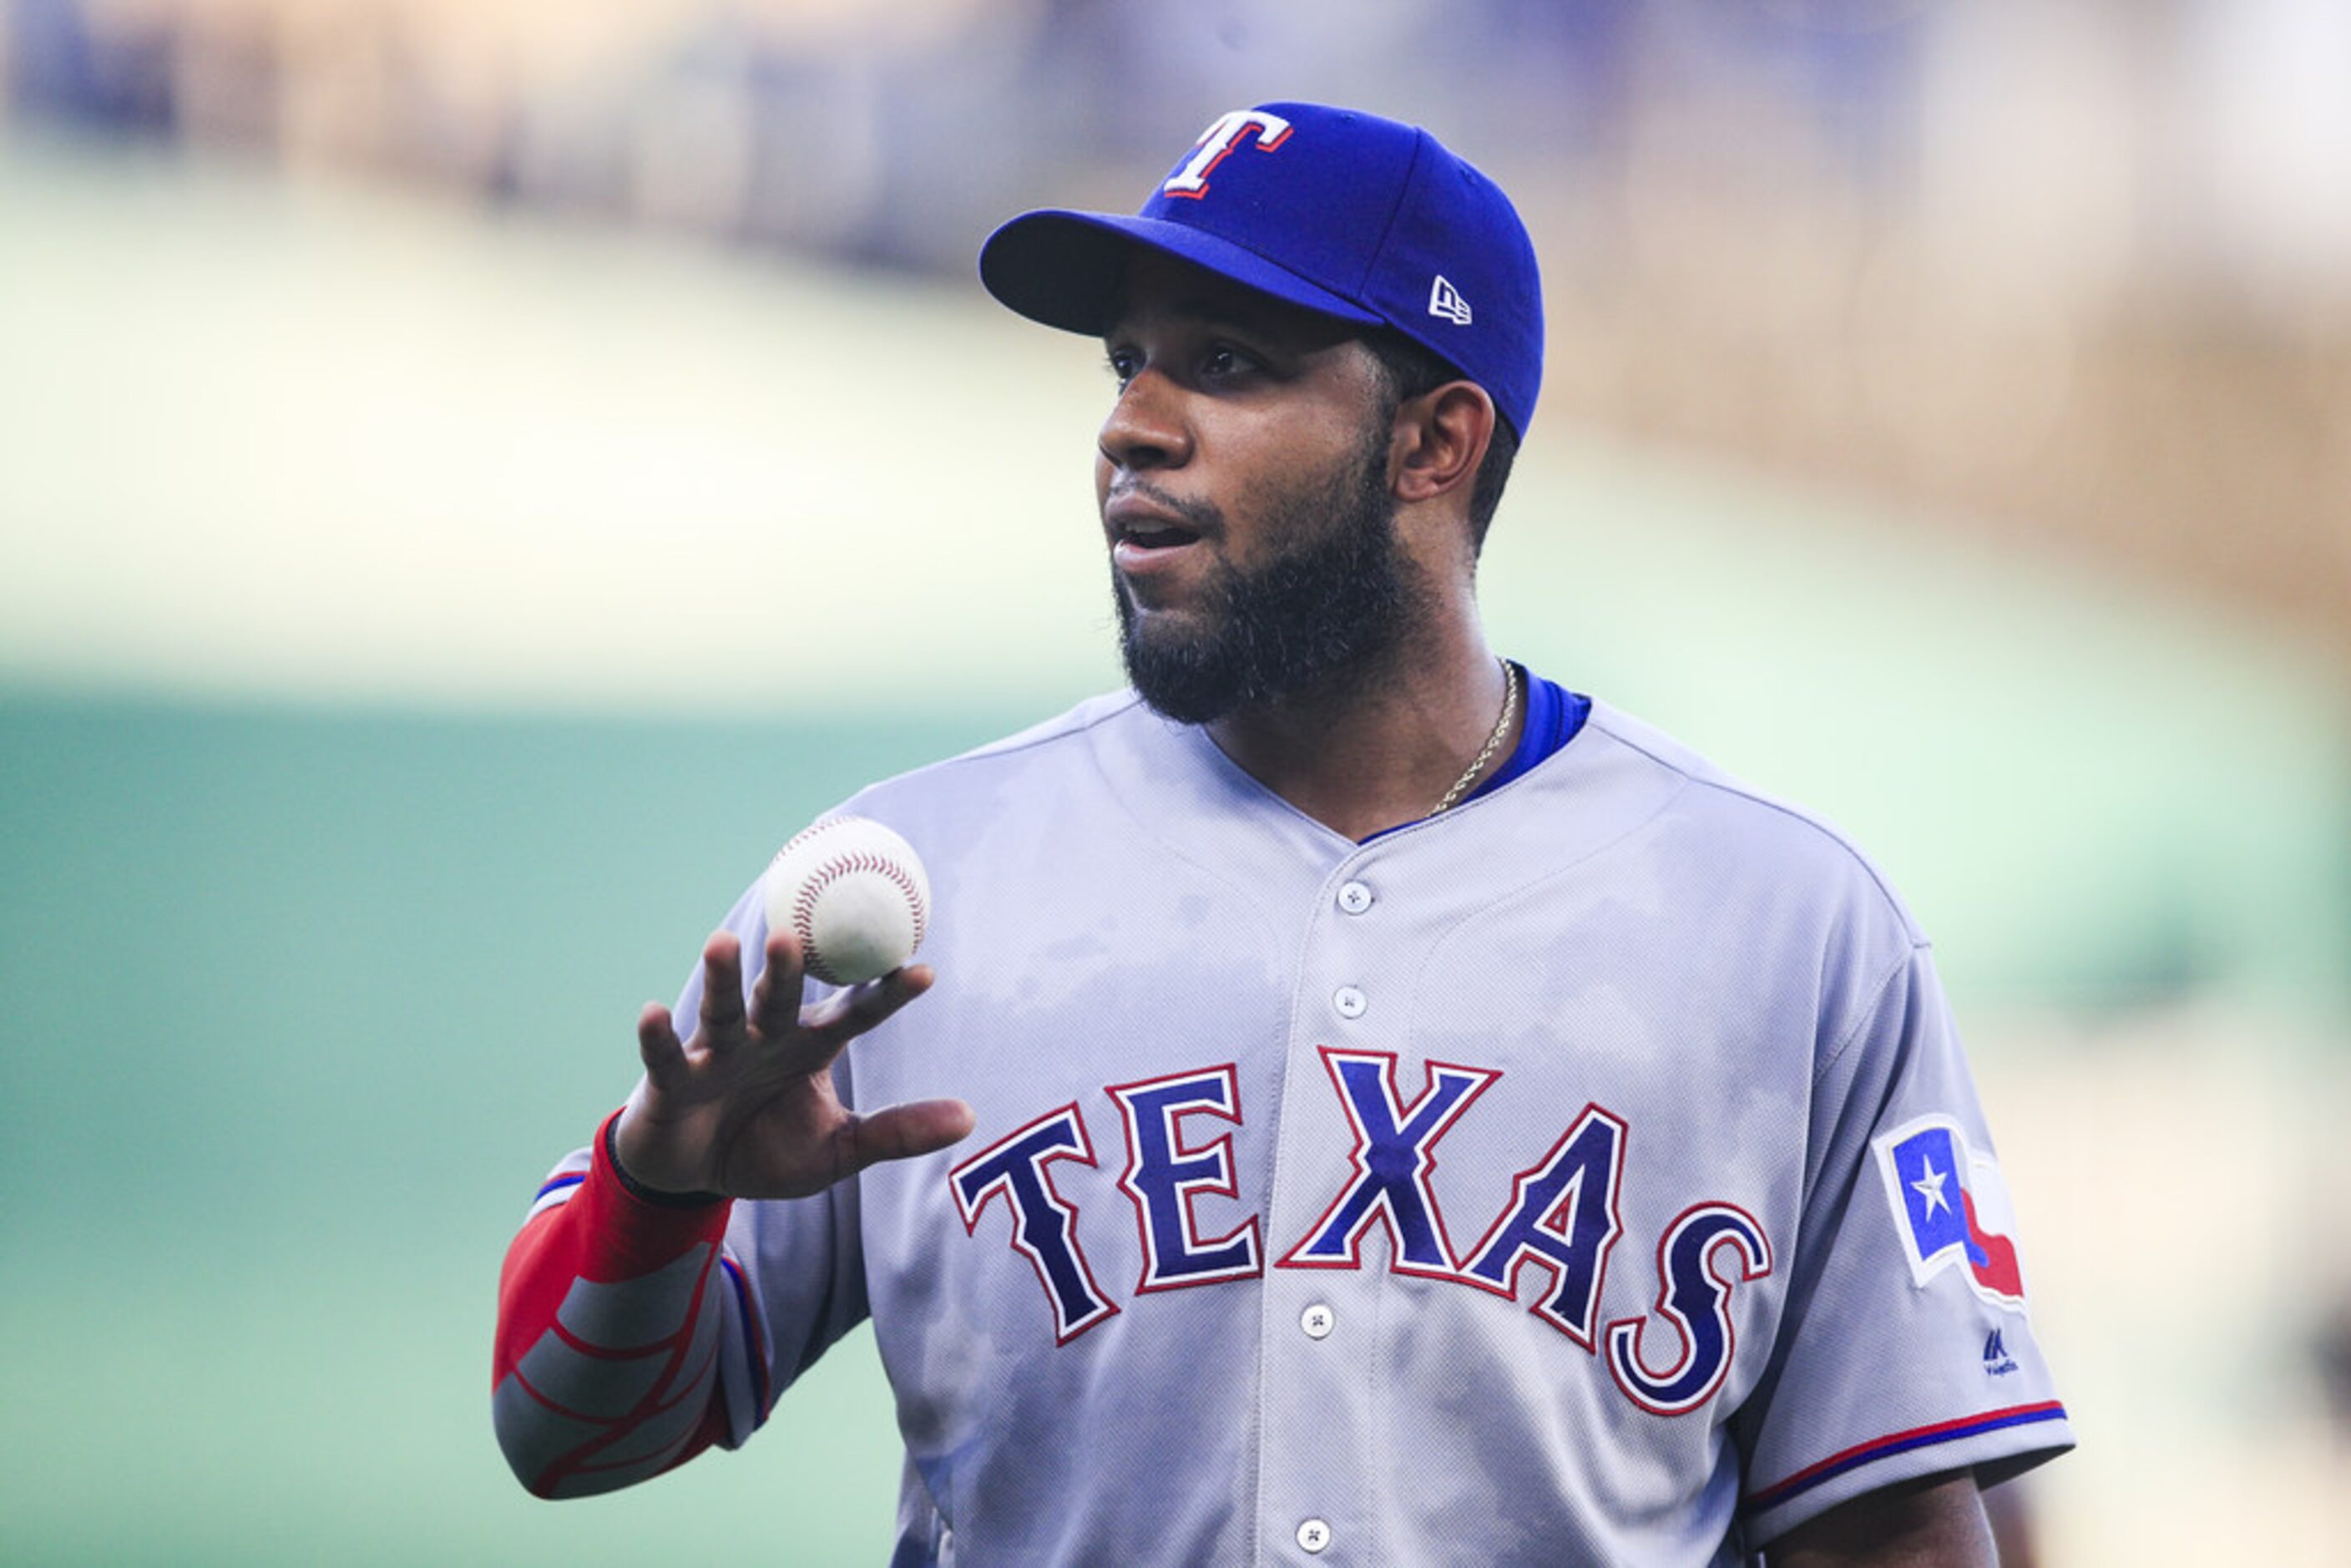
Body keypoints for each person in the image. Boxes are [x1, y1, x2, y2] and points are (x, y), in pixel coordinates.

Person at [493, 102, 2071, 1565]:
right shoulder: (912, 890)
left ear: (1433, 443)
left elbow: (1900, 1533)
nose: (1134, 426)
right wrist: (661, 1181)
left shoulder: (1785, 924)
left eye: (1230, 362)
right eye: (1126, 362)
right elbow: (557, 1432)